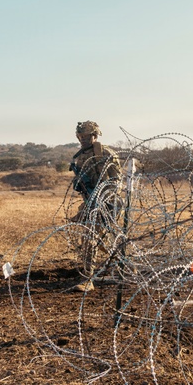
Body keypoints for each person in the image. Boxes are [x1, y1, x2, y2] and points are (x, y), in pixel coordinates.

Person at [69, 120, 122, 291]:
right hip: (90, 202)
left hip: (108, 202)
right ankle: (123, 261)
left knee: (90, 236)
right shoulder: (80, 157)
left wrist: (104, 195)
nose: (82, 140)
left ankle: (87, 278)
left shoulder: (106, 153)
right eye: (80, 136)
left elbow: (117, 181)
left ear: (94, 135)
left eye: (86, 136)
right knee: (99, 238)